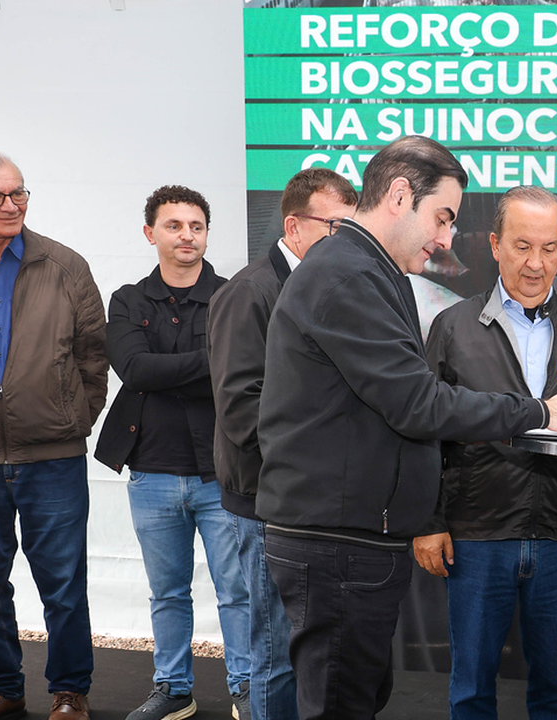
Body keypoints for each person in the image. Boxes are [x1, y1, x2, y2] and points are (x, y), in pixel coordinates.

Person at [257, 138, 557, 720]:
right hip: (339, 542)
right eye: (442, 217)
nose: (445, 238)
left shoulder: (365, 270)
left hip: (351, 537)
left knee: (355, 698)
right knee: (339, 704)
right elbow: (418, 402)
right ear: (398, 195)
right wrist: (540, 413)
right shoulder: (348, 275)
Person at [412, 185, 557, 720]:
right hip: (477, 534)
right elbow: (424, 431)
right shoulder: (453, 326)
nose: (536, 263)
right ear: (495, 245)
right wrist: (429, 521)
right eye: (522, 246)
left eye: (549, 248)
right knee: (471, 686)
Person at [95, 185, 251, 720]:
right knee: (167, 592)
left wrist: (170, 369)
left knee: (237, 591)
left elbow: (242, 372)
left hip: (222, 473)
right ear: (150, 233)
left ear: (207, 234)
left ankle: (246, 688)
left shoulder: (232, 296)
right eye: (174, 225)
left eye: (196, 226)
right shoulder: (128, 300)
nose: (187, 235)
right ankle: (174, 689)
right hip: (152, 472)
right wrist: (210, 362)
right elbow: (134, 370)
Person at [207, 168, 358, 720]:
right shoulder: (249, 292)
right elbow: (242, 410)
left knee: (311, 649)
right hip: (266, 502)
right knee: (276, 652)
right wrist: (319, 460)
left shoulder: (328, 288)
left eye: (351, 228)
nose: (344, 241)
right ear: (293, 226)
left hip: (311, 501)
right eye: (333, 227)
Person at [0, 152, 107, 720]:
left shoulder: (65, 266)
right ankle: (2, 687)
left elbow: (93, 356)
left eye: (19, 193)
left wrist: (74, 418)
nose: (11, 205)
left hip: (52, 456)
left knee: (62, 583)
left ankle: (69, 689)